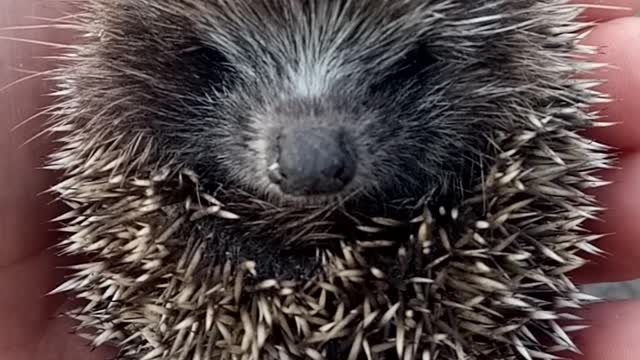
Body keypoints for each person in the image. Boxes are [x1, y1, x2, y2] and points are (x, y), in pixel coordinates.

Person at [1, 0, 638, 359]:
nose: (309, 164)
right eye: (214, 65)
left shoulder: (512, 60)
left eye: (403, 70)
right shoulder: (127, 65)